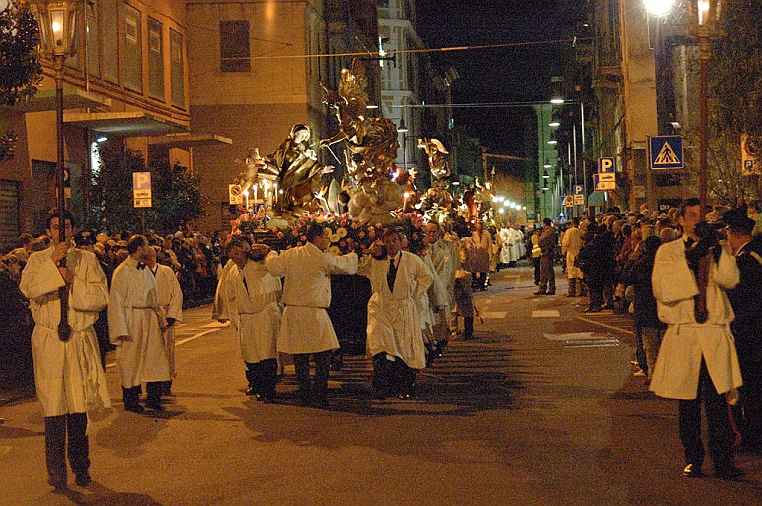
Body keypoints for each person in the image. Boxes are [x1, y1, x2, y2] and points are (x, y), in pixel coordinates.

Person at [649, 198, 744, 480]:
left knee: (718, 404)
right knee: (687, 404)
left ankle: (723, 460)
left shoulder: (717, 248)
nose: (695, 220)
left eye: (700, 215)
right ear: (681, 220)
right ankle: (693, 458)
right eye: (690, 216)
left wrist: (713, 253)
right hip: (686, 333)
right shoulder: (668, 251)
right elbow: (664, 287)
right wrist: (690, 260)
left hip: (713, 333)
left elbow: (729, 280)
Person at [19, 209, 111, 490]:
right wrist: (51, 266)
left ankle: (81, 467)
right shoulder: (36, 260)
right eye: (56, 227)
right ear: (48, 231)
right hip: (49, 343)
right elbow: (29, 289)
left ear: (73, 230)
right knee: (54, 410)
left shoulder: (88, 259)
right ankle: (56, 472)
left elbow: (99, 298)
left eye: (67, 226)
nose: (61, 231)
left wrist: (72, 280)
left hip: (77, 339)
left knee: (78, 410)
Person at [265, 223, 357, 408]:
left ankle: (306, 395)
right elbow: (346, 266)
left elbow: (274, 268)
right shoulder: (321, 258)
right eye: (326, 236)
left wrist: (272, 253)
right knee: (322, 356)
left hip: (295, 311)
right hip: (314, 312)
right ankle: (320, 395)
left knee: (301, 357)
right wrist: (354, 254)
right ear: (318, 237)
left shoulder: (292, 254)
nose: (328, 240)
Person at [360, 228, 434, 399]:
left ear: (401, 243)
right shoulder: (376, 260)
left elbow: (427, 277)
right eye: (388, 241)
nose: (391, 244)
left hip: (402, 308)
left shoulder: (411, 260)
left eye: (395, 240)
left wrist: (413, 295)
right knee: (382, 347)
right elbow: (358, 267)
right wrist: (368, 251)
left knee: (403, 348)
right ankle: (382, 387)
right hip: (381, 308)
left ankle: (405, 386)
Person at [109, 234, 170, 413]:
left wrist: (160, 318)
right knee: (131, 359)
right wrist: (120, 328)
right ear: (138, 249)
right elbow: (116, 300)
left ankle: (153, 397)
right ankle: (131, 399)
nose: (148, 249)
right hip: (132, 318)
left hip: (148, 317)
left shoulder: (145, 270)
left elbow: (153, 295)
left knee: (154, 357)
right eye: (145, 246)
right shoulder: (122, 271)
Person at [723, 207, 762, 454]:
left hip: (748, 335)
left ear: (733, 234)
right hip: (755, 333)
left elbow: (739, 300)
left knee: (748, 389)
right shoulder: (756, 256)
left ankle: (751, 437)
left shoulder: (746, 262)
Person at [227, 239, 282, 401]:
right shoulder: (233, 273)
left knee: (267, 354)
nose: (236, 258)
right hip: (247, 318)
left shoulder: (260, 265)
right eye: (232, 256)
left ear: (245, 250)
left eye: (237, 253)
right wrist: (235, 320)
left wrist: (267, 252)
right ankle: (257, 385)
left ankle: (269, 390)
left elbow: (277, 269)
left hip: (264, 315)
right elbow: (231, 297)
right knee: (251, 355)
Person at [145, 245, 183, 396]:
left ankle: (166, 383)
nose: (149, 260)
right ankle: (152, 385)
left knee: (167, 351)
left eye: (151, 257)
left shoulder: (166, 272)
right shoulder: (139, 272)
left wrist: (172, 314)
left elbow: (176, 294)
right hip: (148, 315)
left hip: (165, 313)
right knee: (151, 353)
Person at [464, 221, 491, 291]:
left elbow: (489, 245)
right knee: (474, 270)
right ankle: (475, 284)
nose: (479, 227)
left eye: (480, 226)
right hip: (475, 254)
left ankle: (482, 285)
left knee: (483, 270)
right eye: (478, 226)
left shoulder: (486, 234)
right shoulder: (474, 234)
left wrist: (489, 254)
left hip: (484, 254)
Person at [561, 217, 583, 297]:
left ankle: (572, 291)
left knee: (571, 272)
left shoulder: (569, 232)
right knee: (580, 272)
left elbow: (565, 243)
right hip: (580, 253)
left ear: (572, 223)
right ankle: (581, 290)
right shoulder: (581, 231)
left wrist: (563, 252)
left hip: (571, 253)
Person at [534, 218, 557, 295]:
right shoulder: (549, 231)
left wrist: (539, 239)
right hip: (545, 252)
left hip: (547, 252)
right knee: (543, 271)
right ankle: (543, 287)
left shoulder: (549, 231)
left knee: (548, 270)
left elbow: (541, 240)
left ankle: (551, 288)